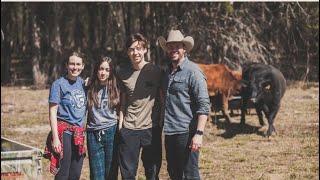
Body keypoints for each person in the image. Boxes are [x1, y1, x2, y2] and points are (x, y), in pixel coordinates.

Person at [158, 30, 211, 180]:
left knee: (190, 173)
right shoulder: (167, 72)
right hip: (170, 131)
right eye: (170, 46)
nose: (173, 50)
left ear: (184, 49)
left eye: (177, 46)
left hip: (187, 132)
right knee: (174, 172)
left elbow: (204, 104)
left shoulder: (193, 72)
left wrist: (199, 134)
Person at [116, 33, 162, 180]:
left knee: (152, 172)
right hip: (129, 129)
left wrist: (160, 121)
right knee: (128, 174)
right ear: (127, 52)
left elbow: (163, 97)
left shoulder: (156, 71)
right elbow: (122, 101)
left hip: (151, 128)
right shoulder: (121, 73)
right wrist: (120, 124)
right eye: (131, 49)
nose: (135, 52)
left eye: (138, 48)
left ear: (145, 50)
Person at [44, 50, 87, 180]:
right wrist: (55, 138)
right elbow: (52, 112)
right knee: (63, 173)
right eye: (72, 64)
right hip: (64, 133)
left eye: (78, 64)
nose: (75, 67)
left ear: (83, 66)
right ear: (67, 65)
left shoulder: (84, 84)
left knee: (75, 173)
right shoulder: (58, 84)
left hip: (79, 133)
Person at [86, 56, 120, 180]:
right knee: (96, 175)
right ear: (96, 69)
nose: (103, 72)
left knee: (111, 173)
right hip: (93, 133)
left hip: (112, 131)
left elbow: (123, 108)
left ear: (111, 72)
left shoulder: (116, 87)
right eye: (101, 69)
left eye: (107, 70)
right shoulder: (89, 87)